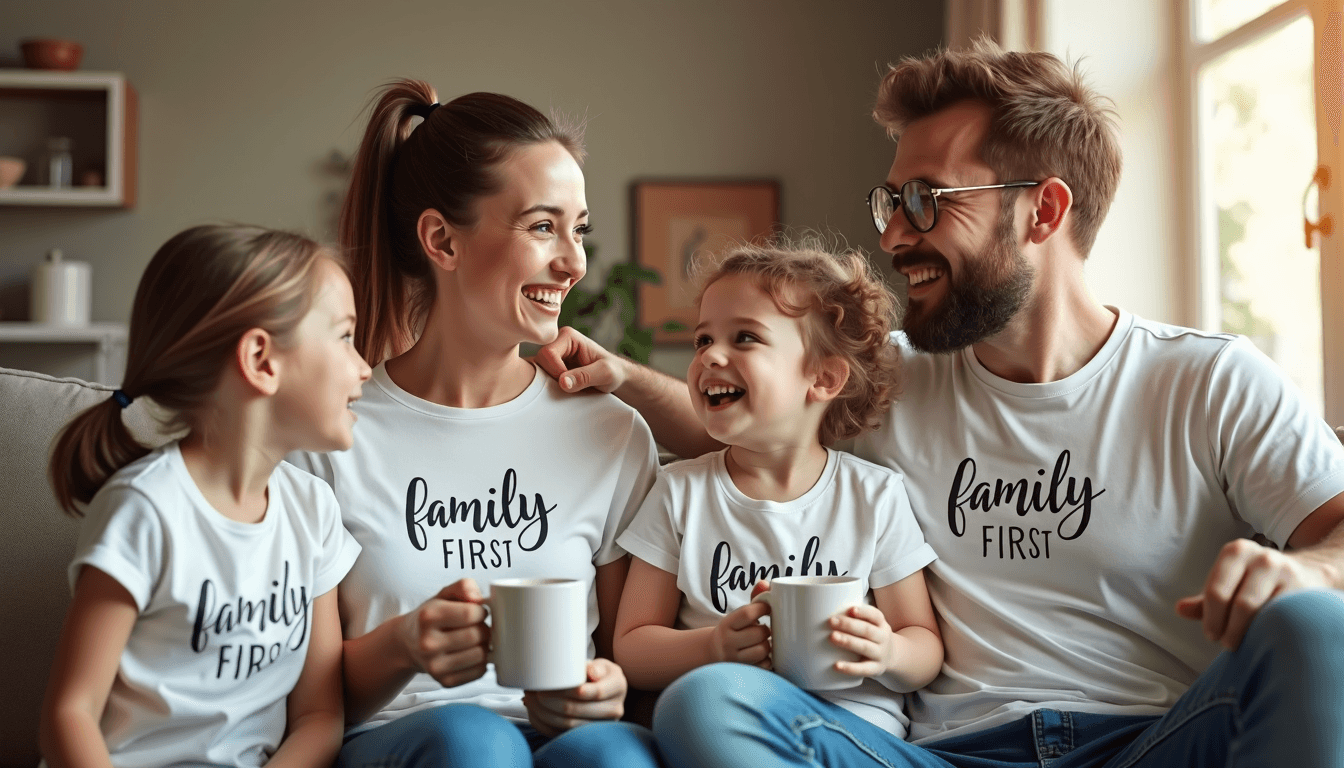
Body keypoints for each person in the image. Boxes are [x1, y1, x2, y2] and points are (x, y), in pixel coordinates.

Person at [538, 39, 1344, 767]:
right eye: (891, 203)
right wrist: (624, 377)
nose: (893, 237)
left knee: (1316, 627)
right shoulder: (892, 378)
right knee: (711, 702)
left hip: (1157, 741)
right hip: (942, 756)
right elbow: (753, 430)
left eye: (927, 200)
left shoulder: (1210, 381)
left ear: (1044, 210)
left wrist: (1301, 573)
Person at [287, 81, 662, 768]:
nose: (574, 262)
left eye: (578, 229)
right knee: (475, 743)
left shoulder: (612, 433)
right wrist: (404, 644)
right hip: (406, 739)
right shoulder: (333, 436)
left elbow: (626, 662)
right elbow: (308, 699)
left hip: (561, 740)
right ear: (441, 240)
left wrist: (609, 691)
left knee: (615, 755)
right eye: (542, 226)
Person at [39, 225, 367, 768]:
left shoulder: (314, 512)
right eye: (345, 336)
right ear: (262, 360)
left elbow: (318, 717)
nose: (362, 366)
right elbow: (68, 715)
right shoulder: (145, 510)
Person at [613, 242, 943, 739]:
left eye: (744, 337)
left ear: (824, 377)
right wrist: (713, 647)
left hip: (850, 731)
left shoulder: (873, 495)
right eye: (703, 340)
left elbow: (925, 644)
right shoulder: (679, 492)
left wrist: (889, 652)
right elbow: (633, 647)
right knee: (695, 707)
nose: (710, 356)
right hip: (728, 720)